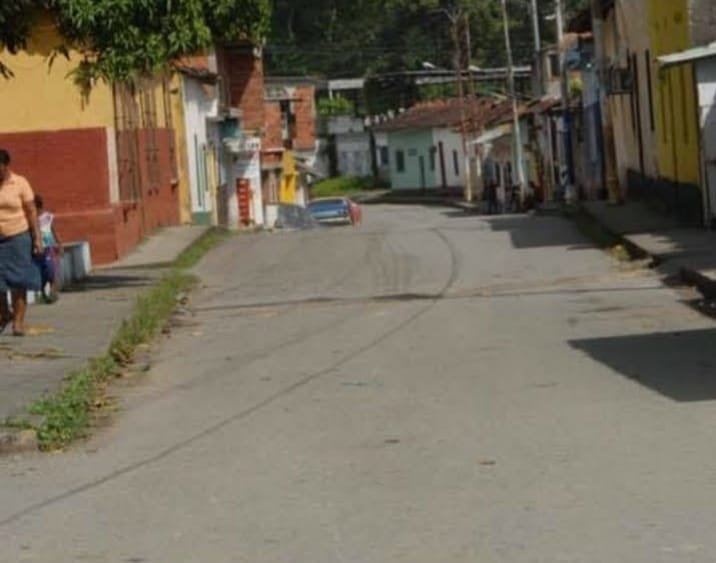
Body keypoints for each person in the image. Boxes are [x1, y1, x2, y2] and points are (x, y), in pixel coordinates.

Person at [0, 149, 42, 336]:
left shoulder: (20, 183)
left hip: (17, 237)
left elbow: (32, 211)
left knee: (18, 282)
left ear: (6, 166)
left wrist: (37, 238)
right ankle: (4, 313)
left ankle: (18, 323)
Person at [34, 195, 63, 303]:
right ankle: (42, 294)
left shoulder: (48, 217)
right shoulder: (32, 220)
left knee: (51, 270)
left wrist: (60, 244)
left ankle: (52, 292)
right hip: (37, 250)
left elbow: (55, 231)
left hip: (49, 249)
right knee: (42, 273)